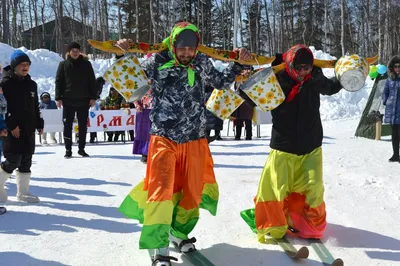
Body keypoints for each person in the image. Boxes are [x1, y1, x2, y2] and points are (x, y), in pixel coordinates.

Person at [116, 22, 250, 266]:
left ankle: (178, 233)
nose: (187, 54)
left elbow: (220, 82)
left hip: (195, 138)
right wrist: (123, 53)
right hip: (164, 137)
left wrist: (238, 63)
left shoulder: (201, 62)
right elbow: (132, 78)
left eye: (191, 49)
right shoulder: (157, 61)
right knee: (161, 191)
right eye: (182, 49)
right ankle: (159, 247)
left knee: (192, 190)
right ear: (174, 45)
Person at [241, 44, 343, 241]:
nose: (304, 73)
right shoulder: (277, 77)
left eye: (307, 68)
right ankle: (272, 224)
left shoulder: (314, 76)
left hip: (310, 145)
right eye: (299, 68)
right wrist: (246, 79)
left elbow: (329, 88)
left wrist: (347, 75)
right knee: (275, 188)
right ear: (289, 64)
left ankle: (307, 224)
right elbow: (250, 98)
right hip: (283, 146)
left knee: (313, 187)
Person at [0, 50, 44, 203]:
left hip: (28, 128)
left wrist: (39, 123)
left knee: (26, 159)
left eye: (27, 64)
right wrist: (11, 125)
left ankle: (23, 193)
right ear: (14, 66)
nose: (25, 67)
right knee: (13, 159)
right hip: (11, 129)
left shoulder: (32, 84)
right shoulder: (5, 84)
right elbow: (3, 107)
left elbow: (35, 106)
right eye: (22, 65)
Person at [55, 41, 97, 158]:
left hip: (83, 100)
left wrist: (93, 97)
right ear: (69, 52)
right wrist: (58, 98)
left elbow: (92, 81)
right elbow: (59, 82)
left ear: (80, 52)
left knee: (83, 125)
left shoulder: (86, 64)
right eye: (73, 51)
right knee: (67, 125)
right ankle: (68, 149)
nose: (75, 53)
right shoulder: (63, 64)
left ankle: (81, 148)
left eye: (77, 51)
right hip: (68, 100)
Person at [383, 55, 400, 162]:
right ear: (392, 68)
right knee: (394, 134)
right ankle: (395, 155)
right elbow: (385, 92)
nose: (398, 68)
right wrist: (385, 101)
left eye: (399, 66)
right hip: (392, 111)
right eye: (396, 66)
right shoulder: (389, 80)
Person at [232, 69, 255, 140]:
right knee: (239, 120)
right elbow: (236, 89)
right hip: (240, 102)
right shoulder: (238, 79)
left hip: (247, 101)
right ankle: (238, 135)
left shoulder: (251, 80)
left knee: (247, 120)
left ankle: (248, 135)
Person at [132, 90, 152, 163]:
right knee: (143, 131)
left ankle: (155, 152)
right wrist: (136, 104)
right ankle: (144, 153)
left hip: (157, 107)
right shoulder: (137, 78)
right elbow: (132, 91)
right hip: (143, 108)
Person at [89, 77, 106, 143]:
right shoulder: (97, 85)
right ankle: (92, 137)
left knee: (93, 121)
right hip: (90, 104)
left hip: (93, 103)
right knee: (92, 121)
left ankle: (93, 137)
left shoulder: (97, 85)